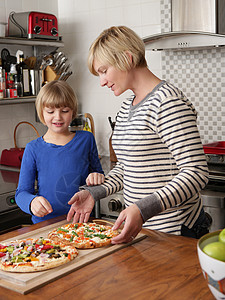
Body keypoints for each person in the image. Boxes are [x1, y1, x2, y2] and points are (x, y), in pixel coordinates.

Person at [67, 26, 210, 243]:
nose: (102, 81)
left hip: (176, 231)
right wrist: (94, 193)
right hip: (146, 231)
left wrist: (143, 209)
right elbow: (127, 166)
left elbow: (196, 172)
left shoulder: (166, 102)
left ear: (127, 58)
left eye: (104, 71)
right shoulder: (127, 107)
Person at [16, 80, 104, 224]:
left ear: (73, 112)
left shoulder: (86, 139)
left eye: (64, 111)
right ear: (41, 113)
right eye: (50, 111)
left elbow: (99, 176)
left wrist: (97, 177)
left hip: (81, 221)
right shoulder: (33, 148)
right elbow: (21, 193)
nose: (58, 117)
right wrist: (32, 202)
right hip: (44, 224)